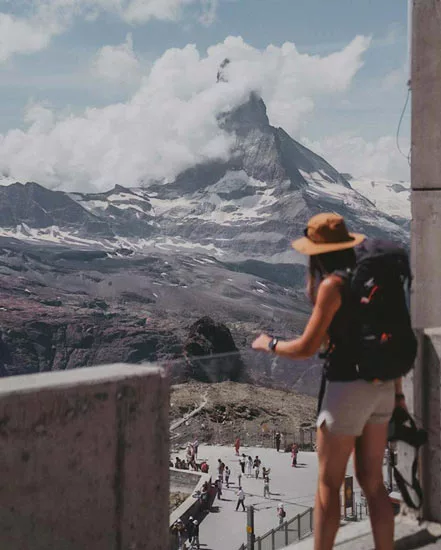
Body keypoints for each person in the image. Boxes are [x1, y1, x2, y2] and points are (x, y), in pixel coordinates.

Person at [252, 213, 405, 550]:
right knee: (374, 483)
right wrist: (397, 396)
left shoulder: (333, 285)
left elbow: (306, 347)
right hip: (381, 386)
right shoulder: (369, 280)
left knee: (328, 485)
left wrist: (270, 344)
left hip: (346, 389)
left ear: (317, 252)